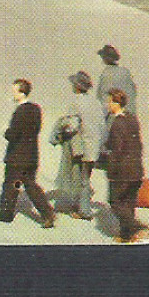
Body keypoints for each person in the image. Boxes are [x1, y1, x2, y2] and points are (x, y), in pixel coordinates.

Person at [0, 78, 56, 228]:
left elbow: (13, 135)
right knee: (30, 185)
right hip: (31, 154)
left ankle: (6, 214)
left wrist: (6, 132)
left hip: (17, 157)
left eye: (15, 91)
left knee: (11, 185)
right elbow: (36, 129)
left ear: (21, 93)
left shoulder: (20, 111)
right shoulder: (36, 109)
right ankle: (47, 213)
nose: (13, 94)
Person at [101, 87, 149, 242]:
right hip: (136, 169)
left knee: (115, 202)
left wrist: (110, 170)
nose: (107, 105)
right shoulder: (132, 118)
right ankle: (126, 235)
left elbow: (117, 150)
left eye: (109, 102)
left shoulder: (117, 124)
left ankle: (136, 227)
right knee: (128, 203)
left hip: (122, 171)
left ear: (116, 103)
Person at [59, 70, 106, 220]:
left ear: (77, 86)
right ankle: (81, 205)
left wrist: (63, 127)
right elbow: (101, 124)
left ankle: (84, 210)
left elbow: (72, 125)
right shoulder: (96, 102)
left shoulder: (75, 102)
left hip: (81, 146)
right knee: (86, 176)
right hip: (95, 145)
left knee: (79, 177)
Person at [95, 44, 137, 118]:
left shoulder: (107, 74)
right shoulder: (125, 72)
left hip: (114, 116)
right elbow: (133, 92)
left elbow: (103, 97)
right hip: (129, 114)